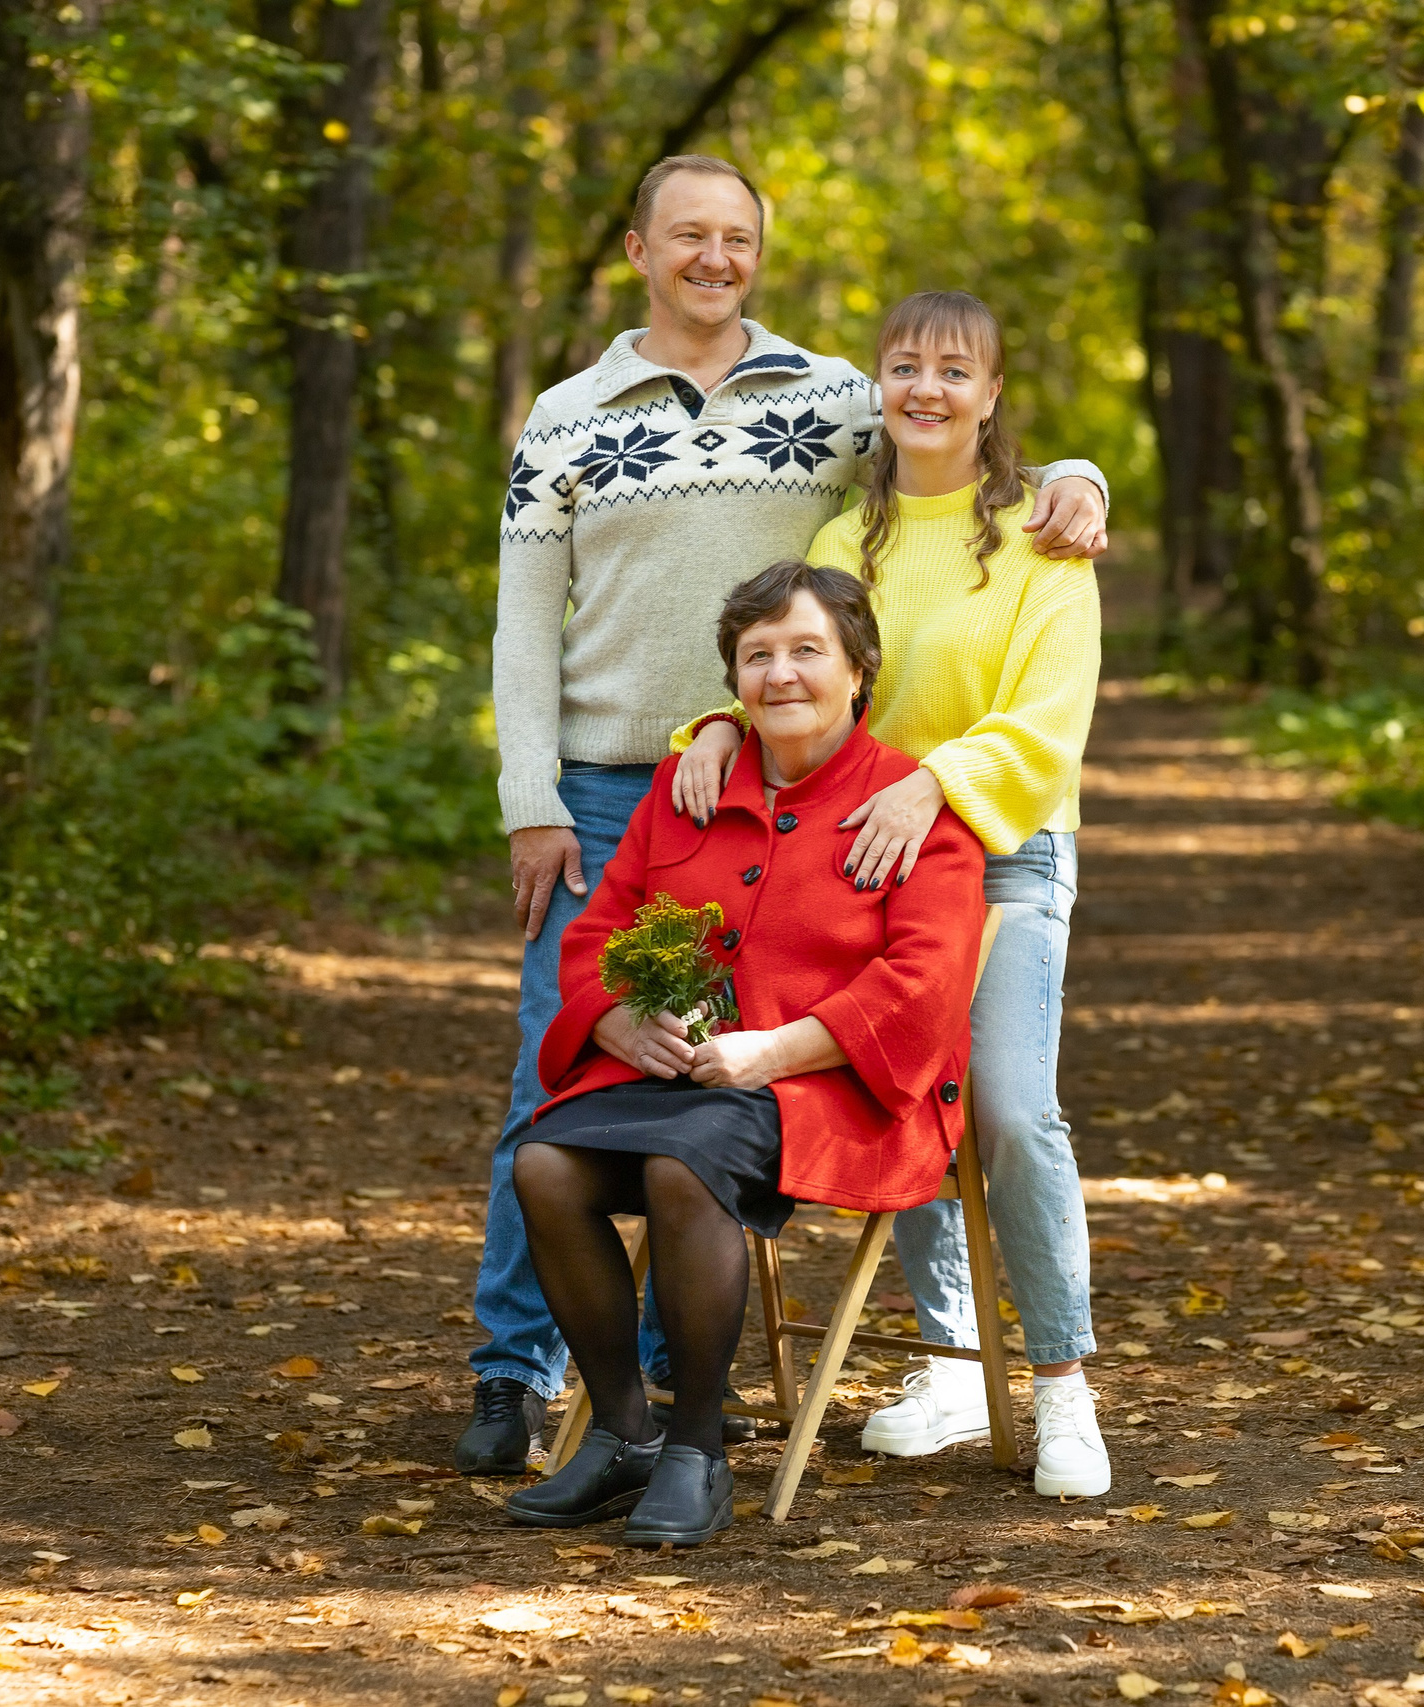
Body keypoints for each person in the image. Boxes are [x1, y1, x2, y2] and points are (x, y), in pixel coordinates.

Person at [460, 152, 1109, 1475]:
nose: (715, 255)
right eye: (686, 234)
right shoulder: (588, 418)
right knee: (575, 1066)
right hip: (669, 789)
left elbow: (970, 444)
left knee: (907, 1082)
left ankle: (704, 1370)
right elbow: (556, 621)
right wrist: (567, 785)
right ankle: (520, 1374)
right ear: (636, 248)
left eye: (738, 235)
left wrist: (1083, 473)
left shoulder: (840, 404)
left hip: (879, 810)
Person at [668, 291, 1109, 1498]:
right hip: (862, 850)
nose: (925, 389)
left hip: (1004, 850)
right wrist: (715, 721)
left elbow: (1048, 717)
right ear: (879, 384)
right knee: (896, 1076)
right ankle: (958, 1361)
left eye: (954, 370)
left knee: (1013, 1110)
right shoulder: (840, 533)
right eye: (904, 366)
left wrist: (939, 786)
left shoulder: (1043, 534)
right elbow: (801, 659)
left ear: (991, 393)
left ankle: (1062, 1384)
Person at [503, 560, 986, 1545]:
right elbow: (598, 930)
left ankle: (696, 1451)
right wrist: (611, 1022)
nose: (780, 675)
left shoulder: (910, 805)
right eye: (757, 656)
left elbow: (923, 984)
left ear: (859, 669)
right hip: (679, 1073)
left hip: (836, 1086)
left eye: (807, 650)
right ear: (734, 680)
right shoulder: (694, 787)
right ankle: (624, 1434)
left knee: (684, 1172)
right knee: (545, 1166)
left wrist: (774, 1052)